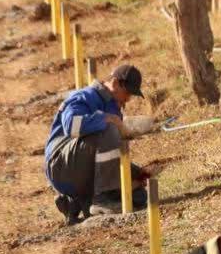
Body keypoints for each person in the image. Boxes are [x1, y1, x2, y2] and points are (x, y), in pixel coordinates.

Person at [44, 64, 149, 224]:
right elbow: (71, 126)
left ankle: (77, 203)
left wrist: (136, 172)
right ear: (116, 83)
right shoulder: (86, 96)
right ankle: (101, 199)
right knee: (109, 128)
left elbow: (107, 154)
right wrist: (105, 118)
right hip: (60, 166)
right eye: (127, 93)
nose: (128, 99)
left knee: (139, 197)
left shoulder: (113, 106)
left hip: (81, 167)